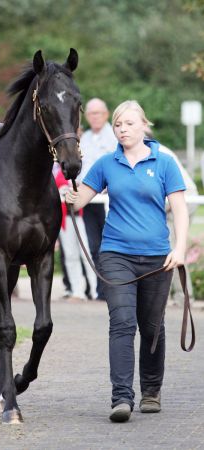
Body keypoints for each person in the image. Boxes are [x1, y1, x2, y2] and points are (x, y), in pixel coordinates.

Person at [66, 100, 188, 423]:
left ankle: (151, 391)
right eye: (118, 124)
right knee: (122, 322)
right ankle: (121, 397)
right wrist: (70, 192)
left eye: (129, 124)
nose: (122, 129)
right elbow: (81, 200)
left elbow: (179, 208)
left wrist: (180, 248)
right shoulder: (107, 163)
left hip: (157, 257)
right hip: (116, 254)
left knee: (152, 327)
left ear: (144, 126)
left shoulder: (164, 163)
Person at [145, 127, 198, 305]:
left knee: (173, 249)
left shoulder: (157, 153)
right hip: (173, 198)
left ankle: (183, 296)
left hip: (183, 198)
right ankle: (175, 296)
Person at [79, 98, 118, 300]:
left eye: (98, 113)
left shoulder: (114, 136)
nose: (94, 117)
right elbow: (82, 170)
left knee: (110, 245)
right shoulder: (84, 138)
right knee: (94, 246)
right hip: (90, 201)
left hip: (109, 201)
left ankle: (115, 288)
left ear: (106, 114)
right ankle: (101, 289)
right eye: (91, 113)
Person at [55, 169, 97, 300]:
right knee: (70, 255)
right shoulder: (59, 175)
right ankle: (77, 291)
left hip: (81, 217)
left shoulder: (83, 172)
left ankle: (96, 290)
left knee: (87, 254)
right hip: (65, 218)